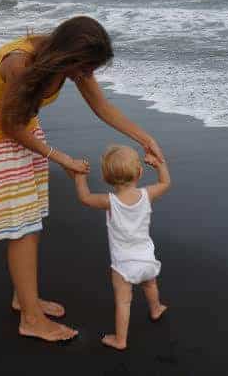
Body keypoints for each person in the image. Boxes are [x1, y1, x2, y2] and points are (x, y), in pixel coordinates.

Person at [0, 16, 165, 342]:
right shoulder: (21, 65)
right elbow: (10, 126)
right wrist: (60, 158)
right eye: (85, 68)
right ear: (67, 56)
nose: (88, 76)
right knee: (23, 227)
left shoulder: (69, 65)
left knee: (30, 221)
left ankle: (23, 298)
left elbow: (102, 107)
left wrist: (144, 138)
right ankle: (30, 318)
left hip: (20, 128)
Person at [73, 144, 171, 351]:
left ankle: (120, 339)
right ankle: (156, 309)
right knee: (150, 286)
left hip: (123, 265)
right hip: (146, 259)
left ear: (107, 177)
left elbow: (85, 198)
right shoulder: (147, 194)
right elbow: (165, 182)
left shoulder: (109, 201)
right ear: (140, 172)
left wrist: (80, 177)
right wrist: (159, 164)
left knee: (123, 302)